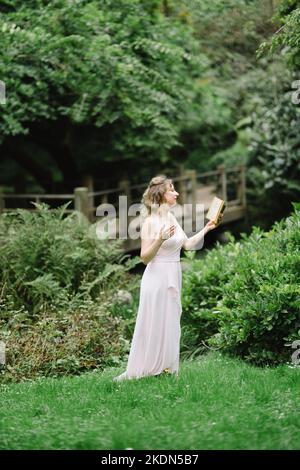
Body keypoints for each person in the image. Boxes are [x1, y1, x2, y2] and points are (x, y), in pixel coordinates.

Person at [113, 175, 222, 382]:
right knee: (155, 323)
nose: (177, 193)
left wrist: (207, 228)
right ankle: (149, 369)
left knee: (171, 322)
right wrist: (159, 239)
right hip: (157, 278)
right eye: (172, 189)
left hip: (173, 273)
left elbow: (188, 245)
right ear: (162, 195)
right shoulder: (150, 222)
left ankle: (167, 369)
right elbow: (145, 258)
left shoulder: (171, 218)